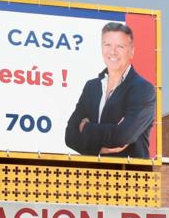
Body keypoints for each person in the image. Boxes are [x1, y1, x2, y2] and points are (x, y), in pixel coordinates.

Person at [64, 21, 157, 158]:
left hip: (128, 176)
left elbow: (122, 136)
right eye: (107, 45)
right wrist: (98, 150)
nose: (112, 52)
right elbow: (70, 136)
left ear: (131, 51)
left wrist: (86, 128)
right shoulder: (91, 87)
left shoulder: (143, 89)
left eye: (120, 46)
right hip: (92, 176)